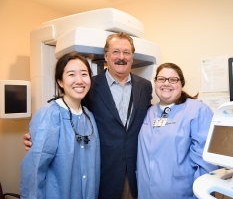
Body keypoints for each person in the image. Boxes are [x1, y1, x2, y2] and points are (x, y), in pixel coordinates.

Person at [23, 32, 153, 199]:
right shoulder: (89, 86)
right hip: (101, 174)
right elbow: (66, 114)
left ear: (132, 56)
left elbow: (149, 121)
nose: (121, 57)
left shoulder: (145, 86)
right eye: (115, 52)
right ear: (106, 55)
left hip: (136, 172)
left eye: (126, 52)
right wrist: (37, 138)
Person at [20, 52, 100, 199]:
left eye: (84, 74)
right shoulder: (49, 115)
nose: (79, 80)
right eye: (71, 74)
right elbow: (34, 171)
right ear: (60, 81)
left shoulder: (89, 116)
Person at [136, 62, 218, 199]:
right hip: (146, 192)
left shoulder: (197, 110)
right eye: (161, 79)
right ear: (155, 82)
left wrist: (200, 195)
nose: (166, 83)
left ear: (181, 83)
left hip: (181, 193)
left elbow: (207, 164)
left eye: (173, 80)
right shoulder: (149, 112)